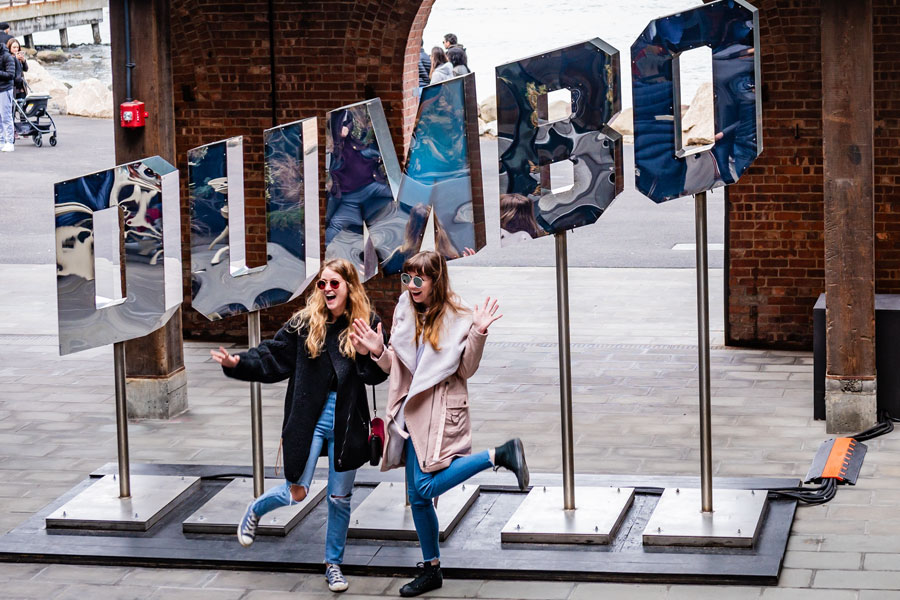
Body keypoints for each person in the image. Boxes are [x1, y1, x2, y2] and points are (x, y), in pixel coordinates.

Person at [350, 250, 528, 598]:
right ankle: (431, 569)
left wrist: (478, 332)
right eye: (407, 278)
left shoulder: (456, 316)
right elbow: (398, 368)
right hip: (410, 413)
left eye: (419, 279)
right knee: (418, 499)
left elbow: (465, 369)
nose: (412, 286)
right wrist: (377, 351)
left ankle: (498, 455)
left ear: (435, 280)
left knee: (426, 488)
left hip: (440, 410)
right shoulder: (404, 310)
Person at [211, 258, 388, 594]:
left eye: (334, 283)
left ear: (349, 285)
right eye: (322, 284)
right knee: (298, 491)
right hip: (310, 416)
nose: (327, 289)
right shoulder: (304, 324)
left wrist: (375, 350)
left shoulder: (366, 324)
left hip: (347, 419)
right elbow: (272, 356)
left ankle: (333, 565)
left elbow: (375, 375)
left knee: (339, 498)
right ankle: (255, 509)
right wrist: (239, 363)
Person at [0, 41, 16, 153]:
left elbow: (11, 75)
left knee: (6, 116)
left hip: (5, 89)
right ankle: (1, 141)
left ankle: (9, 142)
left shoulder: (7, 56)